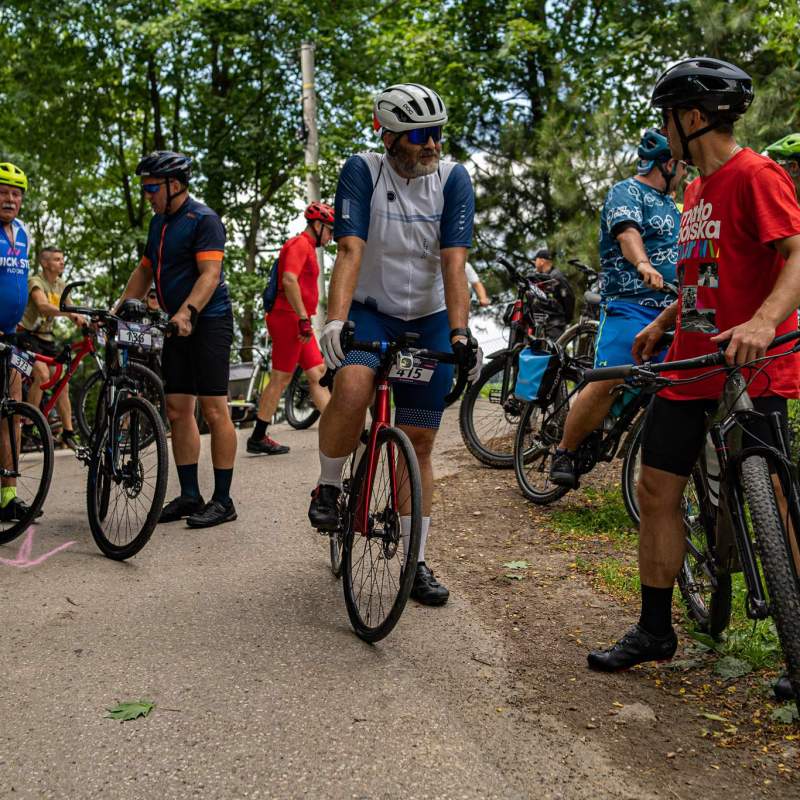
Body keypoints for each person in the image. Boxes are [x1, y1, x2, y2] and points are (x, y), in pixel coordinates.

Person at [587, 60, 800, 702]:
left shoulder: (755, 175)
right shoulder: (697, 192)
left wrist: (763, 322)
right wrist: (663, 320)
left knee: (779, 498)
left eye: (666, 117)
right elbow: (704, 274)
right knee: (656, 487)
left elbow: (796, 257)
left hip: (752, 363)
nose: (663, 130)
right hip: (690, 362)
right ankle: (656, 630)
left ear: (691, 117)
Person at [307, 82, 480, 605]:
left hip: (427, 318)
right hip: (371, 313)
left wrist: (460, 333)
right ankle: (330, 485)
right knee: (355, 384)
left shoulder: (453, 180)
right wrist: (335, 322)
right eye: (419, 135)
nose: (432, 144)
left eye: (437, 133)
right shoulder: (362, 171)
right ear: (387, 137)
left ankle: (416, 559)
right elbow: (350, 250)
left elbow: (454, 261)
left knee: (419, 443)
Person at [550, 130, 684, 488]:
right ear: (669, 164)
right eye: (682, 165)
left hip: (674, 308)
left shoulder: (674, 204)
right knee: (610, 377)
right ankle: (565, 449)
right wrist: (643, 264)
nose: (686, 172)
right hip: (631, 304)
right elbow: (627, 234)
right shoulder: (626, 192)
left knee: (683, 381)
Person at [118, 150, 238, 529]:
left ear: (175, 185)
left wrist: (188, 312)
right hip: (175, 326)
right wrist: (118, 309)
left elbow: (210, 275)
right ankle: (190, 494)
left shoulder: (203, 220)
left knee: (215, 410)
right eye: (144, 188)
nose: (147, 195)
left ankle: (223, 499)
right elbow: (144, 271)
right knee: (176, 410)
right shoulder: (159, 225)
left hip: (208, 321)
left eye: (152, 188)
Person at [247, 203, 333, 455]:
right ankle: (258, 436)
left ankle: (339, 429)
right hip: (289, 319)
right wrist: (304, 318)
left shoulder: (306, 247)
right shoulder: (298, 245)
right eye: (329, 231)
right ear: (317, 226)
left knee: (317, 373)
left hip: (297, 320)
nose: (330, 238)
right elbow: (289, 279)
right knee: (281, 378)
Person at [18, 247, 86, 449]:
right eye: (57, 259)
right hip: (26, 335)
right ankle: (29, 425)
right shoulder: (35, 282)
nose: (62, 262)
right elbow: (43, 306)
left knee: (62, 379)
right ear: (45, 263)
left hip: (47, 339)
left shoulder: (61, 285)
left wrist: (87, 323)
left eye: (62, 259)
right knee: (43, 374)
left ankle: (68, 432)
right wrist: (69, 315)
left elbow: (73, 310)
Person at [0, 162, 36, 521]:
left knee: (12, 411)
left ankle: (7, 496)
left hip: (11, 336)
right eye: (3, 191)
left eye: (15, 193)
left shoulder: (22, 233)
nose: (9, 199)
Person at [530, 247, 575, 339]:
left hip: (555, 327)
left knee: (554, 352)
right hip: (545, 325)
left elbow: (569, 298)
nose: (534, 263)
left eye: (536, 260)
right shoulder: (544, 278)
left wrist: (566, 320)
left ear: (542, 261)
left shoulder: (556, 277)